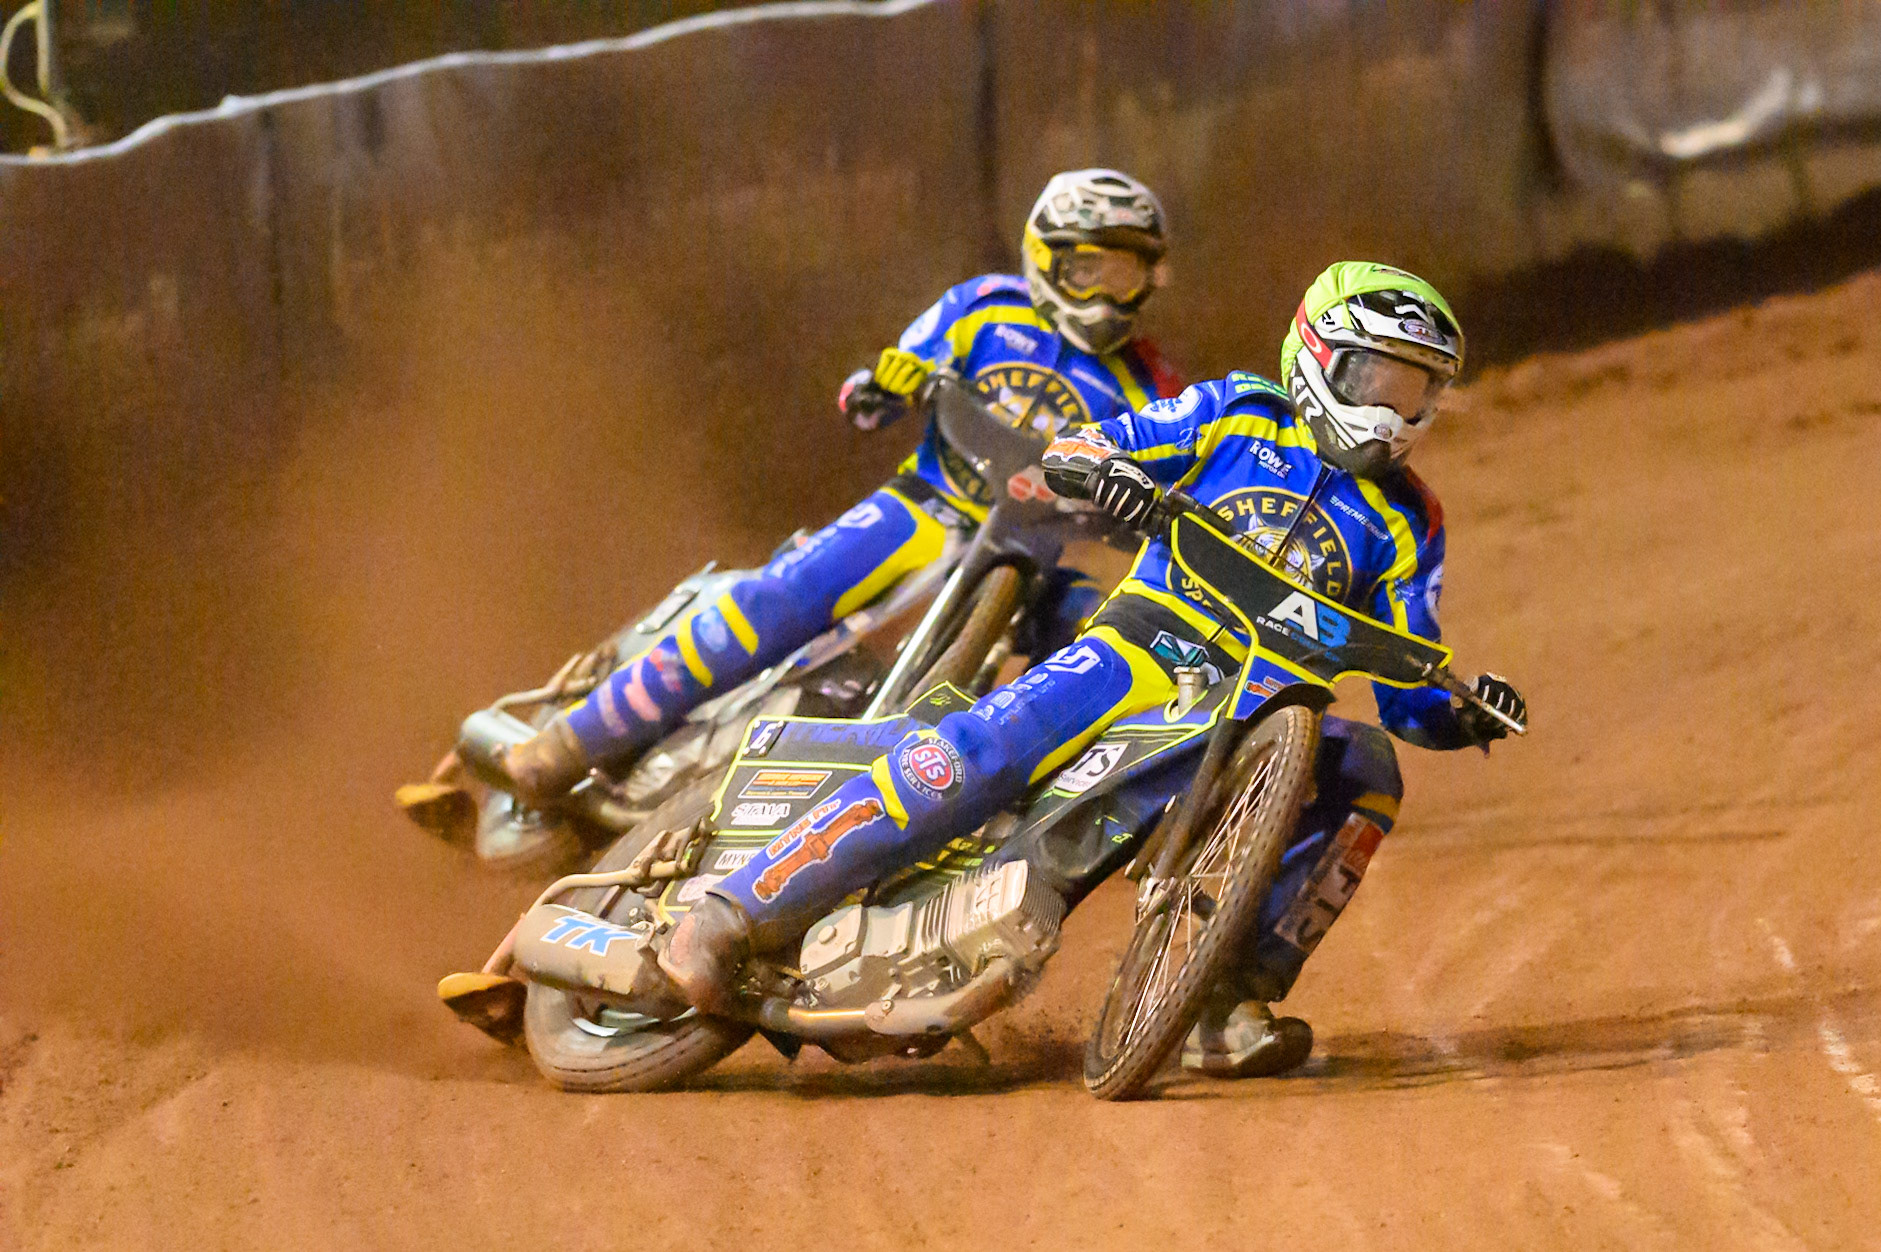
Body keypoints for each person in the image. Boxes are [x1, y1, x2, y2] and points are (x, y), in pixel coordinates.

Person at [655, 261, 1528, 1079]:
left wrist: (1462, 713)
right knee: (978, 753)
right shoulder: (1241, 412)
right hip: (1143, 645)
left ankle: (1225, 1005)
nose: (1390, 408)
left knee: (1369, 771)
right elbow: (1110, 439)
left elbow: (1411, 681)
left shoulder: (1410, 521)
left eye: (1413, 389)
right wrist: (1097, 464)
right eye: (1375, 378)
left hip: (1258, 708)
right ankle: (731, 909)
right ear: (1317, 359)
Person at [495, 169, 1181, 831]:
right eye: (1092, 269)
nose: (1107, 292)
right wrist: (882, 385)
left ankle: (1058, 821)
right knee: (786, 593)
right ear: (1048, 259)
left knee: (1100, 645)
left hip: (1039, 553)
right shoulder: (983, 308)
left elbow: (1169, 476)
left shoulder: (1148, 383)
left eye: (1127, 274)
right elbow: (874, 391)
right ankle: (566, 745)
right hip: (929, 505)